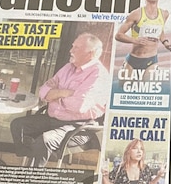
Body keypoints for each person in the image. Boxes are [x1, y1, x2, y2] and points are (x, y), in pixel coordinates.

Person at [11, 33, 109, 167]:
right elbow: (43, 91)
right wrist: (64, 93)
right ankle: (32, 161)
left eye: (77, 48)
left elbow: (78, 106)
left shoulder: (99, 75)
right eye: (72, 46)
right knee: (18, 125)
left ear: (90, 54)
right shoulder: (68, 67)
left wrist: (54, 96)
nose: (71, 50)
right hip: (52, 118)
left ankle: (32, 176)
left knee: (45, 140)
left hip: (78, 126)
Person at [114, 0, 171, 77]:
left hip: (151, 60)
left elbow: (160, 30)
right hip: (133, 59)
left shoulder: (164, 14)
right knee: (123, 88)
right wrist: (134, 40)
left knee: (146, 88)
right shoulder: (136, 14)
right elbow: (118, 35)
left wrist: (165, 43)